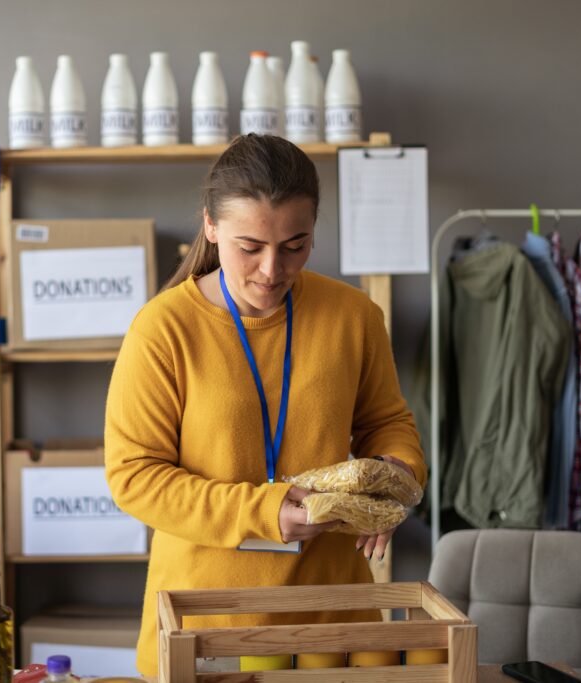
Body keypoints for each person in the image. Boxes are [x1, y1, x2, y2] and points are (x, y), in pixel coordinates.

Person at [104, 134, 426, 675]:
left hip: (334, 619)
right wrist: (264, 510)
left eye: (295, 245)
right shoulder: (162, 329)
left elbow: (387, 422)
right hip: (205, 626)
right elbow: (134, 477)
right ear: (210, 226)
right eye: (249, 247)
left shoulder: (354, 315)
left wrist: (395, 473)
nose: (272, 270)